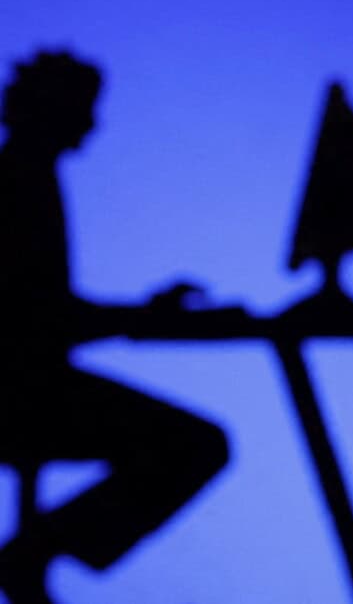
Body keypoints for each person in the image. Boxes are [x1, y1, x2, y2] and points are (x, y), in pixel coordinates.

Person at [0, 48, 231, 604]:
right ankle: (34, 552)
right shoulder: (19, 181)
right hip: (18, 393)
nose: (92, 123)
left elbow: (47, 309)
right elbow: (41, 317)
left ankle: (35, 552)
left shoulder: (30, 175)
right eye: (84, 107)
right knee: (194, 446)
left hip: (30, 385)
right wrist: (144, 317)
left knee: (192, 444)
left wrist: (143, 314)